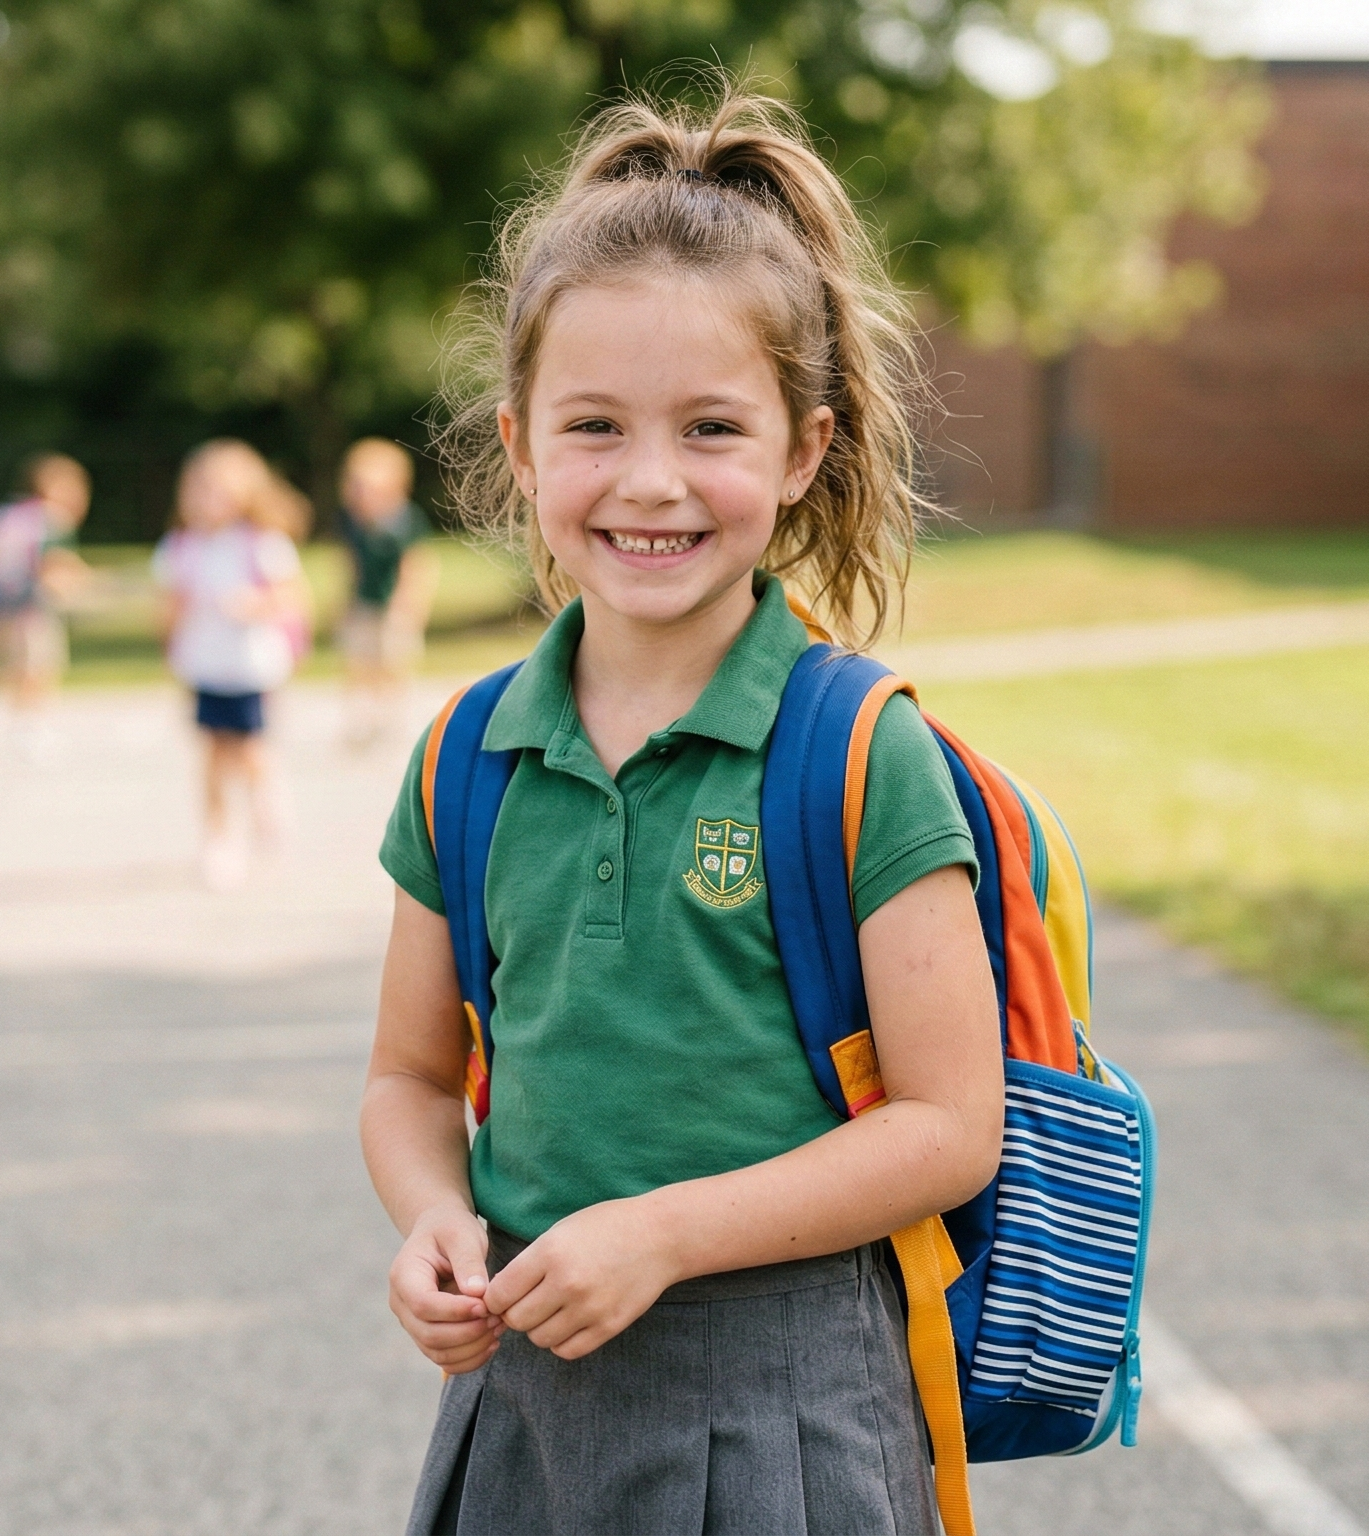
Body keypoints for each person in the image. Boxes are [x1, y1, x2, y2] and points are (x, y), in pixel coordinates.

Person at [359, 90, 1004, 1535]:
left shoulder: (854, 749)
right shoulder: (465, 756)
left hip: (783, 1407)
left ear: (801, 450)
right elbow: (407, 1079)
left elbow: (953, 1124)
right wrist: (433, 1221)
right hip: (528, 1402)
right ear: (521, 447)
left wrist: (661, 1235)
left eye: (712, 426)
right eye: (595, 426)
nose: (651, 481)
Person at [152, 439, 309, 890]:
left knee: (252, 751)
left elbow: (291, 597)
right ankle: (219, 839)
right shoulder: (180, 548)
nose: (205, 501)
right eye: (198, 490)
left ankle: (265, 800)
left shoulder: (261, 544)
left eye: (217, 490)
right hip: (206, 667)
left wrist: (255, 604)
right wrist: (172, 626)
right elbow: (166, 606)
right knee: (214, 756)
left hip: (250, 667)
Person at [0, 453, 94, 750]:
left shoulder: (5, 515)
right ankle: (29, 728)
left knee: (15, 665)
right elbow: (53, 567)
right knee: (41, 665)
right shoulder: (51, 519)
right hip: (27, 604)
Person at [336, 437, 440, 748]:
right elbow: (349, 564)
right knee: (359, 663)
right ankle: (364, 721)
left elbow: (415, 567)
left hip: (394, 606)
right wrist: (344, 601)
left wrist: (410, 605)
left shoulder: (405, 520)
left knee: (392, 663)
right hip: (364, 603)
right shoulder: (351, 522)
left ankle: (391, 721)